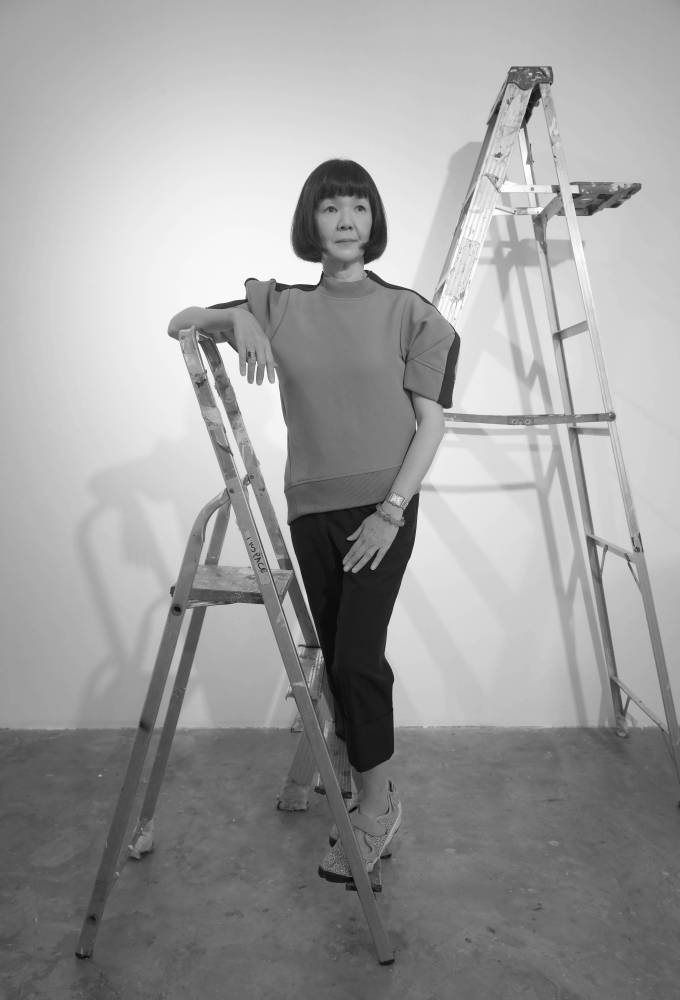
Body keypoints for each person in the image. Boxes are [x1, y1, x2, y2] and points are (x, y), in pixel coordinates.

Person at [168, 159, 461, 884]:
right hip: (310, 512)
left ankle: (377, 810)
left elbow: (431, 424)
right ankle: (362, 784)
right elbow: (180, 322)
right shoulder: (280, 306)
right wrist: (238, 317)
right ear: (312, 221)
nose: (346, 220)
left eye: (358, 206)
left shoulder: (412, 314)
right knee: (337, 656)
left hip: (382, 511)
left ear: (373, 221)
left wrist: (391, 512)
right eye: (332, 208)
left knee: (358, 658)